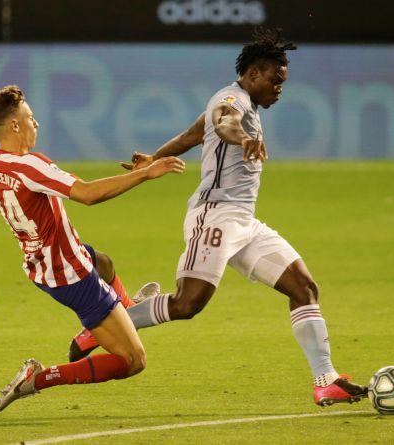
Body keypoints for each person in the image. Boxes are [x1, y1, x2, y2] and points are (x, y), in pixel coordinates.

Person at [69, 28, 367, 407]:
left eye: (283, 83)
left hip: (244, 221)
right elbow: (224, 124)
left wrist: (155, 157)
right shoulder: (232, 101)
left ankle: (326, 380)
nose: (280, 88)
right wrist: (243, 138)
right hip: (213, 217)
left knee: (304, 288)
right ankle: (106, 325)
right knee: (187, 304)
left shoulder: (242, 104)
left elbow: (195, 133)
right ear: (255, 73)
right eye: (276, 80)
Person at [0, 85, 185, 412]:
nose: (36, 124)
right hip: (72, 275)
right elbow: (87, 194)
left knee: (104, 264)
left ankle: (116, 314)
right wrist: (148, 174)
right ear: (14, 126)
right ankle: (37, 378)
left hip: (43, 267)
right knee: (133, 360)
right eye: (30, 117)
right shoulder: (30, 166)